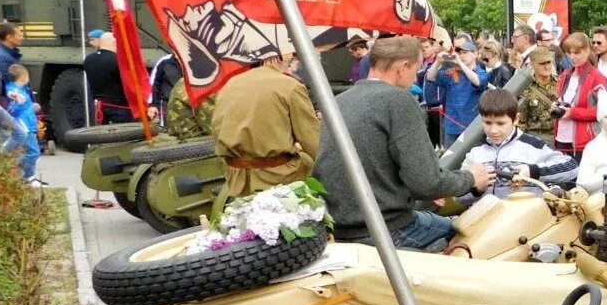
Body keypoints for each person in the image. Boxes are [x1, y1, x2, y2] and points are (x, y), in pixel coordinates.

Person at [313, 35, 495, 250]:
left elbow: (372, 164)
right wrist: (471, 178)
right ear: (403, 66)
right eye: (415, 69)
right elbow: (426, 183)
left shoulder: (340, 100)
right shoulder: (398, 100)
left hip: (341, 226)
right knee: (468, 232)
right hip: (386, 228)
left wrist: (423, 189)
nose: (414, 79)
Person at [209, 54, 321, 201]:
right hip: (277, 176)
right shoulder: (290, 86)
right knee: (316, 165)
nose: (295, 63)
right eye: (293, 58)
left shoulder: (231, 84)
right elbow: (313, 142)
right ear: (280, 58)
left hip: (236, 177)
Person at [462, 88, 576, 197]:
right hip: (488, 215)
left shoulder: (534, 147)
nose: (493, 130)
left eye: (500, 123)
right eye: (487, 123)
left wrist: (533, 171)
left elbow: (571, 167)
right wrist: (476, 190)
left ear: (516, 119)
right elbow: (459, 197)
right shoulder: (475, 152)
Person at [552, 33, 607, 156]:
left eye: (576, 53)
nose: (572, 57)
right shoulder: (565, 75)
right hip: (561, 137)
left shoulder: (597, 78)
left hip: (584, 143)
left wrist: (572, 113)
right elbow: (562, 101)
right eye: (569, 52)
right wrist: (556, 106)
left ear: (587, 51)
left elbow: (602, 112)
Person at [3, 65, 42, 184]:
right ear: (23, 77)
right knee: (34, 152)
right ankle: (16, 169)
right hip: (24, 124)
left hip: (29, 123)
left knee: (32, 152)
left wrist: (32, 107)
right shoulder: (14, 91)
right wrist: (19, 102)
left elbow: (26, 107)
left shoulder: (21, 89)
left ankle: (28, 177)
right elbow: (13, 107)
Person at [83, 30, 129, 123]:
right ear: (113, 43)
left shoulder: (88, 59)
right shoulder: (117, 60)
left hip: (100, 105)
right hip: (119, 105)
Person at [518, 47, 559, 140]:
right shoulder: (526, 88)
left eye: (549, 62)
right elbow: (521, 122)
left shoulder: (562, 83)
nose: (547, 66)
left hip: (560, 137)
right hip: (536, 137)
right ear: (532, 64)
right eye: (542, 63)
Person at [0, 22, 23, 91]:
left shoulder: (3, 54)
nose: (22, 38)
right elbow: (6, 86)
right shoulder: (1, 58)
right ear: (9, 37)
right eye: (19, 35)